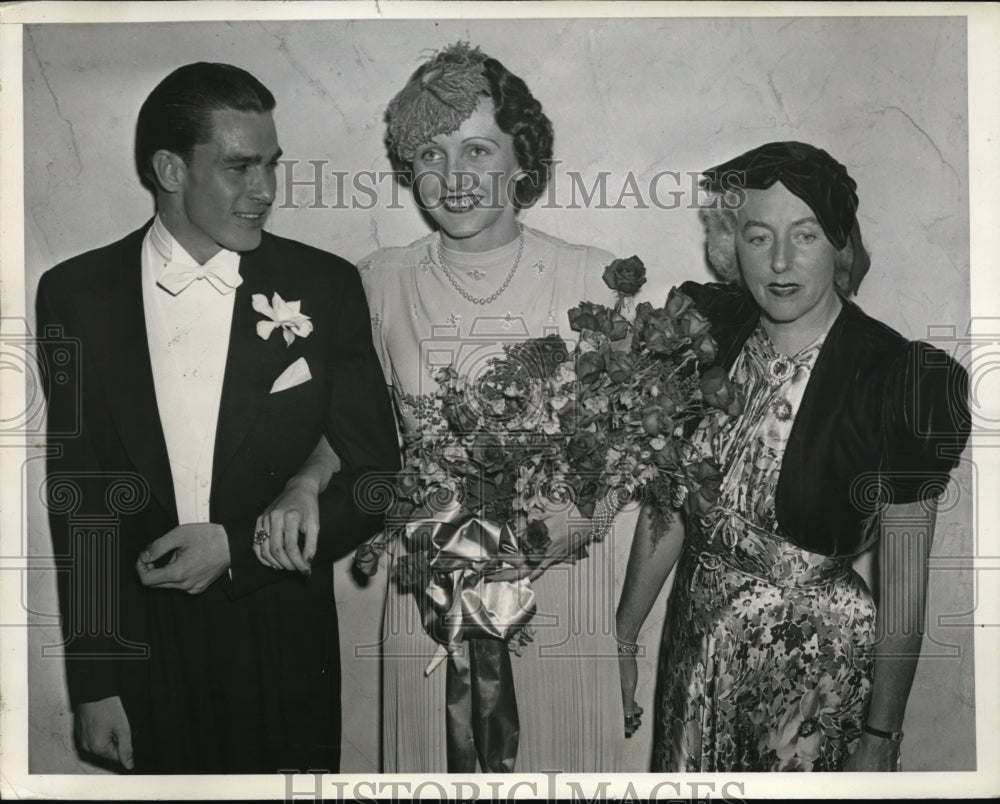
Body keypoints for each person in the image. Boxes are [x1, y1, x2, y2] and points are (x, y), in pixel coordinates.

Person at [257, 42, 626, 772]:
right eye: (430, 153)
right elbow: (353, 431)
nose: (453, 179)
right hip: (427, 587)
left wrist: (531, 543)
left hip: (554, 584)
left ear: (524, 155)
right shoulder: (376, 282)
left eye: (478, 150)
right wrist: (304, 480)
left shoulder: (591, 276)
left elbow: (618, 456)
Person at [36, 62, 399, 774]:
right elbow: (78, 490)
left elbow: (376, 478)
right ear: (170, 169)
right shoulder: (75, 294)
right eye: (239, 168)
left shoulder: (323, 285)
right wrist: (95, 679)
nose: (264, 191)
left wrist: (239, 546)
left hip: (281, 641)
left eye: (270, 165)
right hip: (142, 648)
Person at [615, 141, 970, 771]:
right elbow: (673, 500)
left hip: (815, 671)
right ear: (731, 243)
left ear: (839, 245)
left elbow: (906, 585)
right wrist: (623, 632)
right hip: (696, 646)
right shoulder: (708, 331)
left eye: (803, 235)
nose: (779, 261)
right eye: (758, 236)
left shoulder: (901, 377)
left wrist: (881, 737)